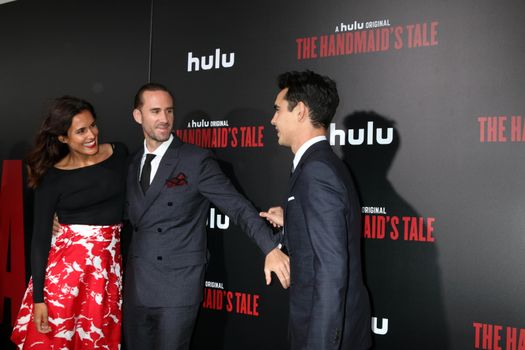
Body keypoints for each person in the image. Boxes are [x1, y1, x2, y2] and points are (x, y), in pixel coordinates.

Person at [123, 83, 290, 350]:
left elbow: (237, 207)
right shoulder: (131, 164)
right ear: (137, 115)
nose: (164, 119)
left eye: (169, 111)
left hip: (177, 287)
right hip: (136, 286)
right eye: (155, 111)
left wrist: (269, 247)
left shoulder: (194, 160)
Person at [260, 70, 372, 350]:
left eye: (277, 110)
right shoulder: (320, 164)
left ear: (300, 111)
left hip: (324, 335)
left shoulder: (317, 171)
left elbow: (332, 270)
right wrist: (293, 219)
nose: (273, 119)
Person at [11, 96, 127, 349]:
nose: (91, 135)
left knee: (94, 341)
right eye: (81, 131)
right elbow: (40, 238)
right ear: (63, 138)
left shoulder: (119, 154)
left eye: (93, 125)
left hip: (105, 273)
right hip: (64, 277)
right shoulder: (52, 178)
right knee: (55, 342)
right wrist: (39, 299)